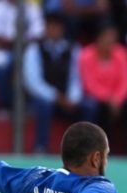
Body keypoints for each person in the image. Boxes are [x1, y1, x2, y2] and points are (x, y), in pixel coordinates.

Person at [23, 12, 83, 153]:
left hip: (67, 97)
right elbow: (33, 82)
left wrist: (73, 98)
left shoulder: (74, 48)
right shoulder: (34, 49)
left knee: (89, 106)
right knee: (43, 105)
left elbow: (77, 77)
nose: (54, 30)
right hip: (43, 97)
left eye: (57, 27)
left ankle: (81, 150)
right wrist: (55, 96)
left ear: (63, 29)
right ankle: (41, 147)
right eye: (51, 27)